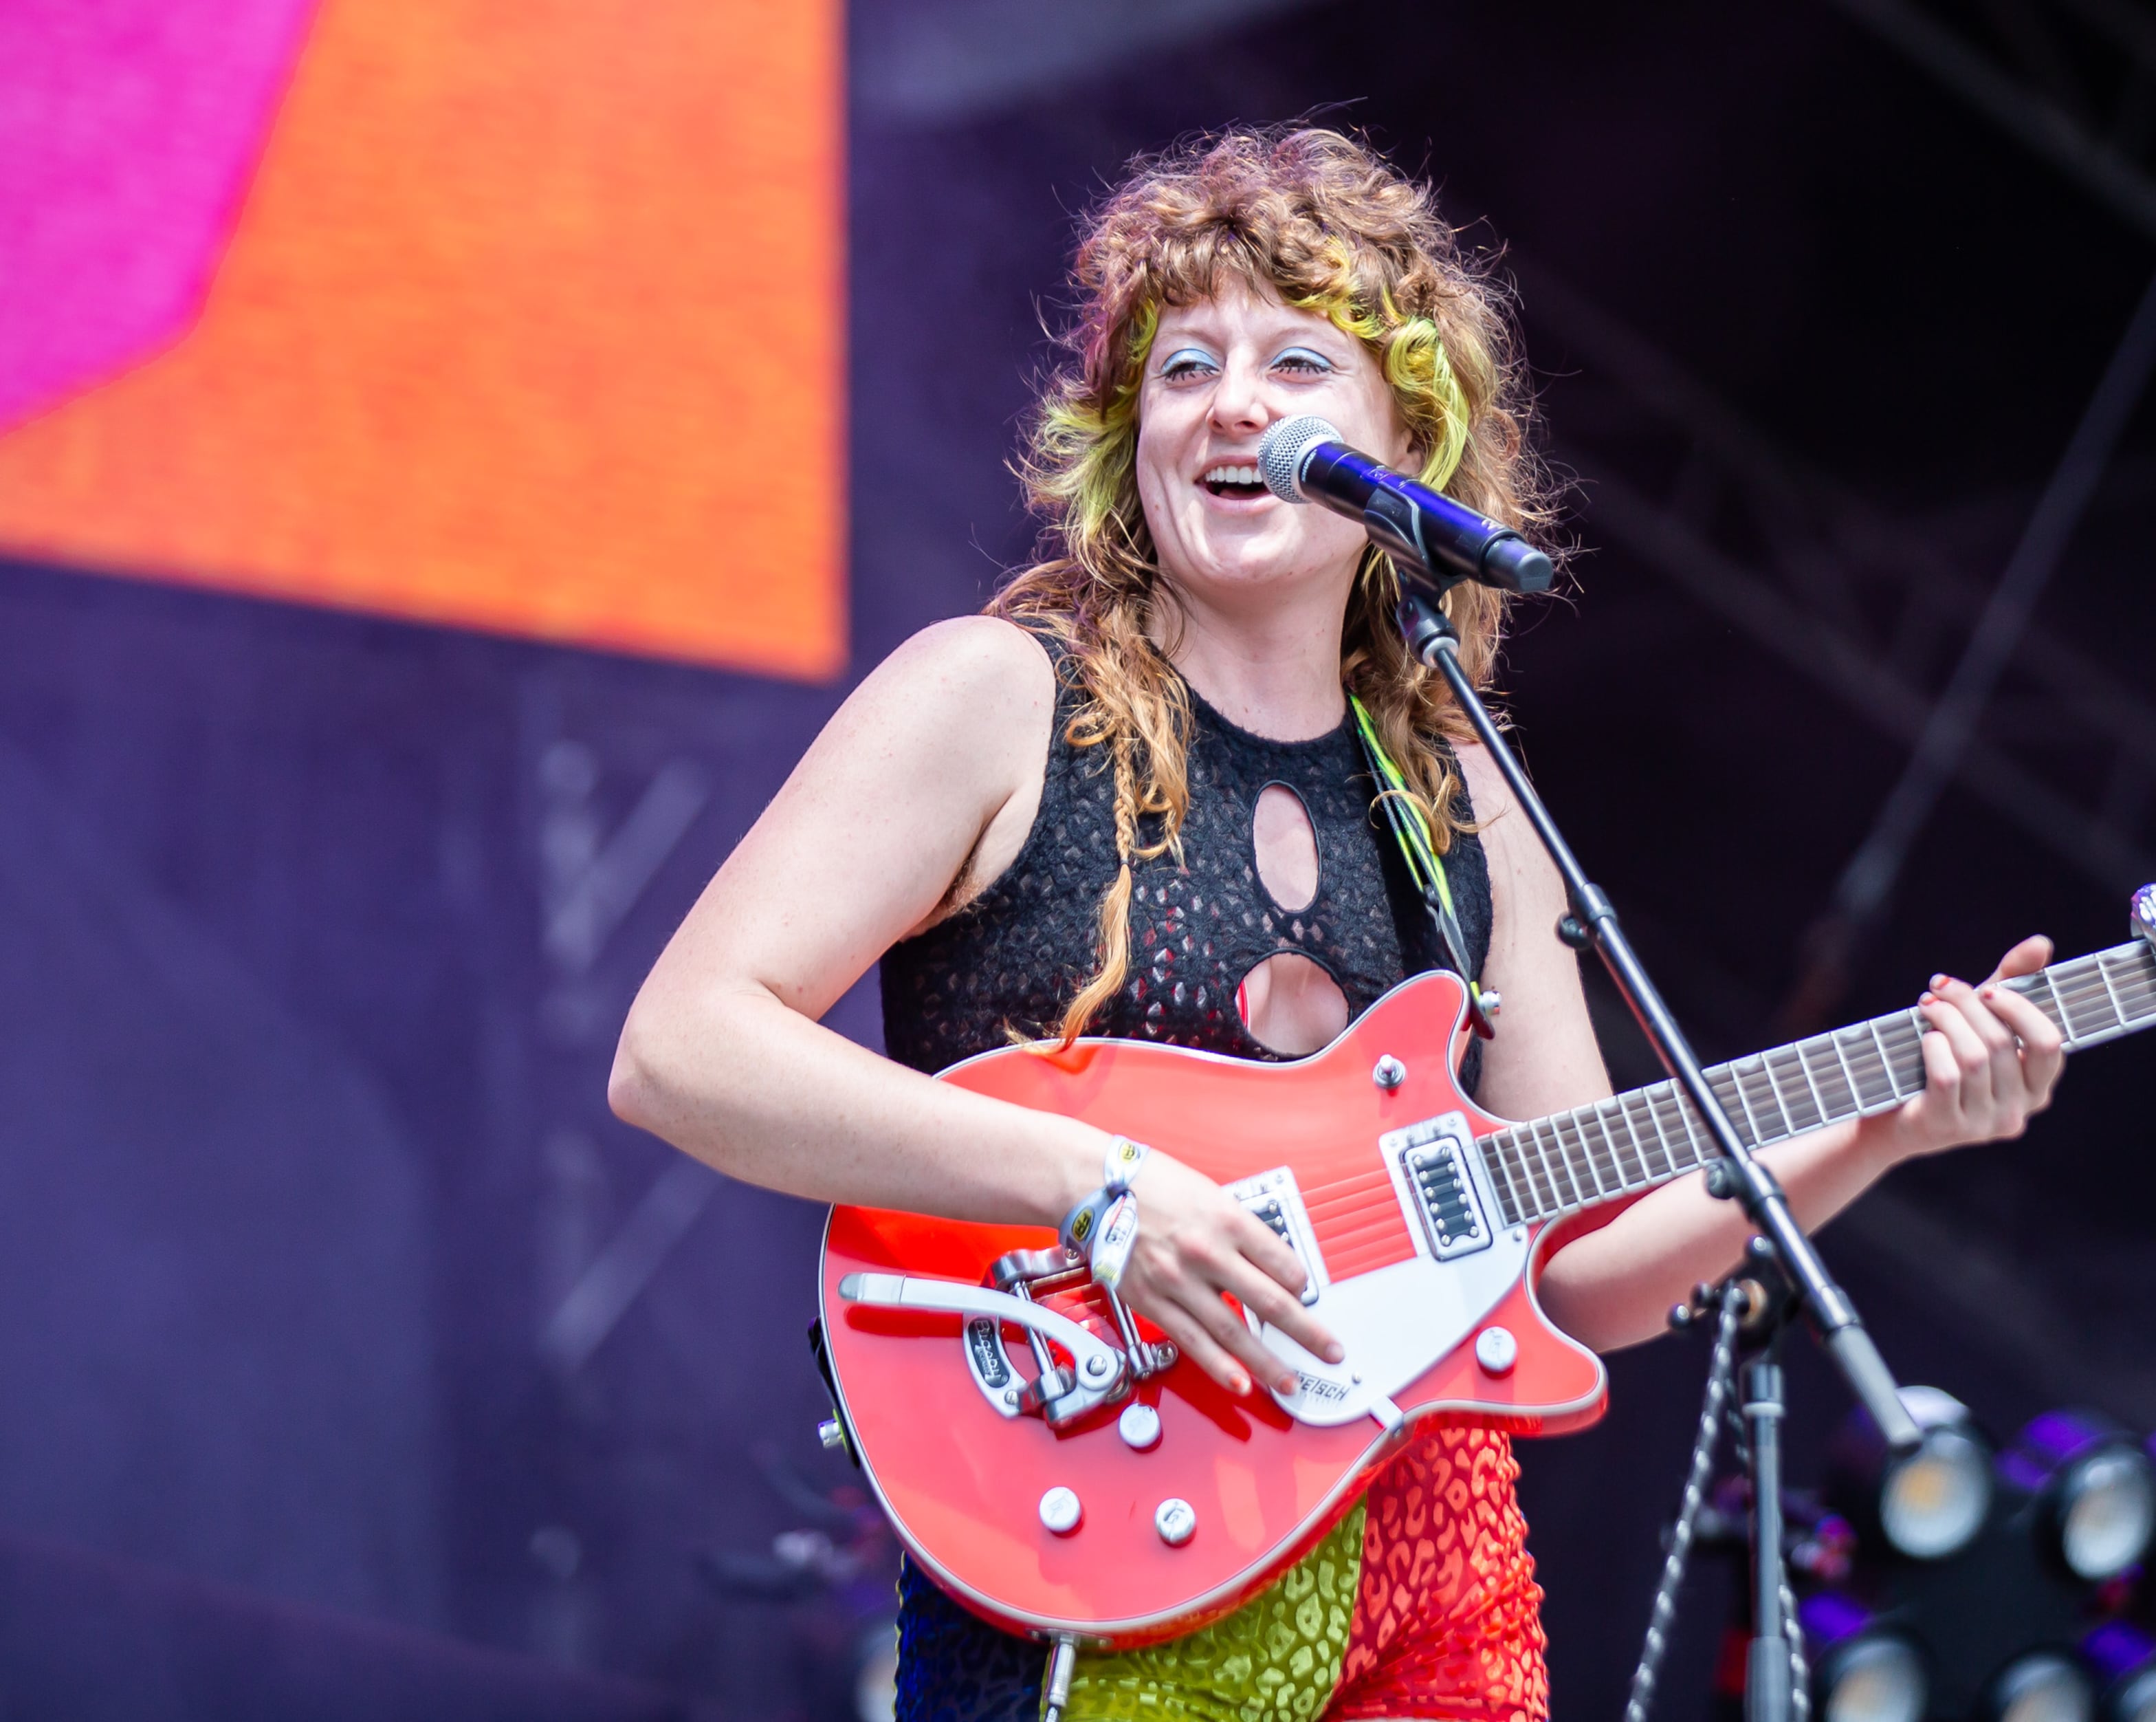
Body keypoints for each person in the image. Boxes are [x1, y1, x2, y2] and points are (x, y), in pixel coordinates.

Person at [610, 126, 2067, 1722]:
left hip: (1441, 1583)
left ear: (1405, 447)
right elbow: (683, 1049)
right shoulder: (996, 701)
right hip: (1104, 1565)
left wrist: (1885, 1126)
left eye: (1298, 361)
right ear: (1128, 443)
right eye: (1183, 370)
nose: (1234, 402)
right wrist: (1095, 1186)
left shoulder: (1458, 791)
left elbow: (1585, 1265)